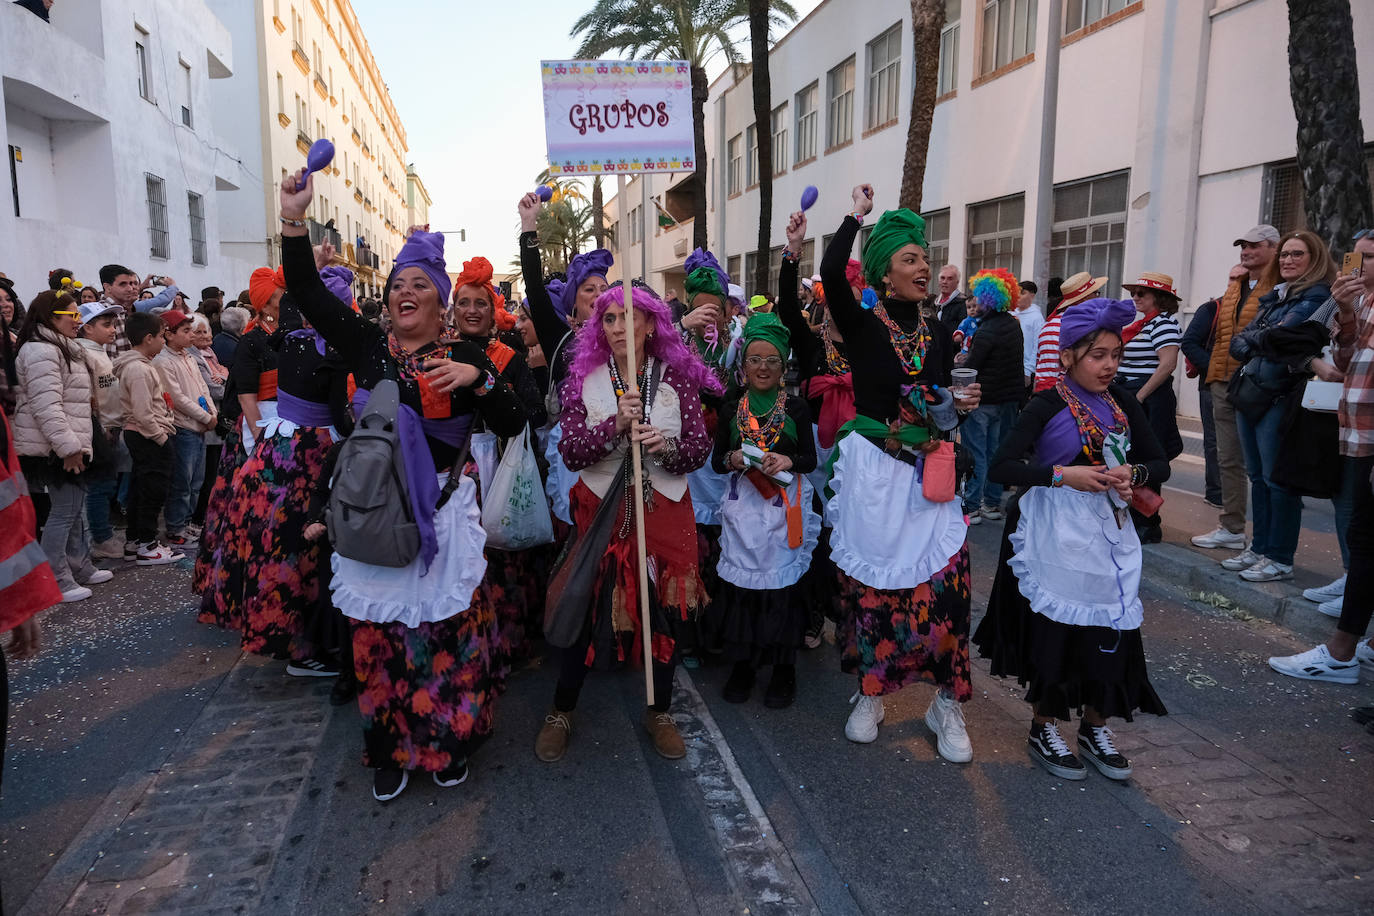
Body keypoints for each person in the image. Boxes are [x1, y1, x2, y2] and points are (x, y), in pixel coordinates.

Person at [281, 168, 527, 803]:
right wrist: (293, 221)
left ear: (442, 303)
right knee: (381, 637)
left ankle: (447, 743)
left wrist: (480, 384)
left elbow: (520, 421)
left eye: (421, 285)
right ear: (387, 301)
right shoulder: (367, 348)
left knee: (446, 634)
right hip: (373, 517)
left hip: (443, 518)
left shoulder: (471, 359)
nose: (405, 292)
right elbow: (308, 291)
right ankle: (389, 747)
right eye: (397, 285)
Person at [974, 297, 1170, 780]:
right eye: (1098, 355)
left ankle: (1095, 724)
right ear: (1068, 357)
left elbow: (1158, 461)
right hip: (1056, 528)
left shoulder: (1122, 400)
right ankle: (1045, 725)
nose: (1109, 366)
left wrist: (1133, 471)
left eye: (1115, 355)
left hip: (1109, 530)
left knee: (1112, 628)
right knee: (1059, 629)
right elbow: (1002, 466)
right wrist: (1063, 476)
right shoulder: (1046, 403)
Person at [821, 185, 979, 762]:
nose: (924, 266)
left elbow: (940, 396)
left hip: (928, 476)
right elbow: (831, 269)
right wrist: (853, 215)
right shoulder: (861, 324)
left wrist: (954, 406)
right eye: (911, 258)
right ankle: (871, 693)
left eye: (925, 257)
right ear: (886, 272)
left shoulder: (937, 332)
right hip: (874, 475)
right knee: (874, 594)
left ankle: (946, 703)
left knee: (945, 592)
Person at [536, 284, 719, 763]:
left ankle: (658, 710)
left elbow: (698, 449)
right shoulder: (585, 378)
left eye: (628, 317)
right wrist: (613, 426)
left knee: (666, 614)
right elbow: (572, 451)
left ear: (651, 324)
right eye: (609, 319)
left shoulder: (676, 379)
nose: (618, 327)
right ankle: (561, 708)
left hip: (665, 508)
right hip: (601, 509)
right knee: (586, 601)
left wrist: (667, 447)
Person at [213, 262, 352, 678]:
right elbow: (340, 419)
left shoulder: (290, 339)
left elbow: (293, 305)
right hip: (306, 453)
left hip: (280, 450)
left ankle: (299, 642)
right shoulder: (324, 350)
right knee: (306, 550)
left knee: (283, 545)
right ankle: (305, 647)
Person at [1268, 230, 1374, 684]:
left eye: (1368, 258)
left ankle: (1341, 652)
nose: (1359, 265)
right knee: (1364, 533)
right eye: (1357, 257)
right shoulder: (1361, 301)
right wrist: (1347, 312)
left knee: (1366, 539)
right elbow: (1349, 359)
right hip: (1359, 431)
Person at [709, 312, 819, 708]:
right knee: (743, 590)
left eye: (772, 360)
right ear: (743, 365)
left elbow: (809, 458)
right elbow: (716, 461)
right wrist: (735, 457)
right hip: (743, 510)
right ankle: (743, 666)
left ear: (783, 365)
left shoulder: (798, 409)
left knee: (781, 591)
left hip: (783, 509)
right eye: (755, 359)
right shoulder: (730, 408)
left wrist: (788, 462)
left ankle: (783, 670)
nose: (763, 368)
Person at [451, 255, 548, 674]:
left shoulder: (510, 357)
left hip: (501, 469)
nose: (472, 310)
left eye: (481, 303)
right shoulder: (437, 352)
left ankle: (510, 644)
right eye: (464, 302)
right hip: (454, 474)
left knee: (506, 562)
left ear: (494, 310)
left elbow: (535, 415)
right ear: (452, 309)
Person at [1220, 230, 1334, 582]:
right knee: (1258, 477)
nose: (1287, 260)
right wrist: (1266, 339)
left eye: (1297, 254)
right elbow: (1238, 343)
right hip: (1252, 392)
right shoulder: (1277, 295)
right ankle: (1260, 548)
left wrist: (1264, 339)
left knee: (1278, 481)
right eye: (1284, 254)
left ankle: (1280, 558)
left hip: (1281, 396)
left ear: (1314, 259)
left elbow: (1282, 338)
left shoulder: (1317, 295)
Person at [776, 211, 852, 650]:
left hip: (859, 458)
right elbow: (788, 306)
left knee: (850, 539)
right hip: (814, 458)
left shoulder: (869, 346)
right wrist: (793, 251)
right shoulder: (810, 343)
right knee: (816, 541)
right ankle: (813, 616)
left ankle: (848, 615)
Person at [13, 290, 110, 601]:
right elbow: (47, 406)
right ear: (51, 317)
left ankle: (78, 566)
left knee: (73, 508)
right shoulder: (41, 350)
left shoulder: (61, 347)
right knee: (64, 511)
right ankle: (54, 578)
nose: (78, 322)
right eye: (73, 316)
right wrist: (68, 447)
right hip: (55, 447)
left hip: (69, 441)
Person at [1190, 224, 1280, 551]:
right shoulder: (1236, 286)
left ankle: (1270, 543)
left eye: (1255, 246)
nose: (1246, 251)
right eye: (1243, 245)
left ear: (1274, 248)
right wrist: (1213, 372)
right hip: (1223, 382)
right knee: (1228, 458)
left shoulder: (1282, 285)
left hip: (1261, 384)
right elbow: (1221, 338)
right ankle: (1232, 527)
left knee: (1264, 465)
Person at [1118, 272, 1185, 544]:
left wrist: (1140, 397)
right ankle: (1135, 517)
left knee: (1148, 460)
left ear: (1158, 297)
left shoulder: (1164, 324)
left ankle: (1148, 522)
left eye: (1141, 293)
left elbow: (1168, 364)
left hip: (1149, 399)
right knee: (1128, 458)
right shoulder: (1142, 325)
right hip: (1131, 396)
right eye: (1133, 293)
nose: (1135, 297)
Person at [113, 313, 182, 565]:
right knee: (152, 490)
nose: (164, 341)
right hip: (146, 435)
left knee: (143, 489)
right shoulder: (138, 369)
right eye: (162, 336)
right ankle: (146, 544)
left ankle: (136, 541)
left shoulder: (141, 365)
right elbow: (143, 412)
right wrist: (161, 438)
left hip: (144, 433)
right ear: (148, 338)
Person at [959, 268, 1025, 524]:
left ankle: (973, 507)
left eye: (977, 297)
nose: (975, 302)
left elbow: (975, 365)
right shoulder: (1013, 325)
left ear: (987, 300)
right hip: (1007, 400)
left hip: (983, 400)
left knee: (976, 453)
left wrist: (962, 359)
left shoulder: (986, 331)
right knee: (996, 451)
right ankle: (992, 504)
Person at [153, 310, 216, 550]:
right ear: (168, 334)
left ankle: (188, 522)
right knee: (182, 481)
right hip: (183, 427)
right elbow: (177, 398)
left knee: (196, 481)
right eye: (186, 331)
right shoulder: (163, 360)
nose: (192, 336)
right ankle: (175, 527)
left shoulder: (188, 357)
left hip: (200, 425)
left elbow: (202, 387)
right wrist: (204, 416)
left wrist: (212, 413)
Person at [75, 300, 127, 560]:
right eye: (106, 325)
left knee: (107, 483)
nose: (113, 330)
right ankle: (100, 538)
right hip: (99, 428)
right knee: (99, 485)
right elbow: (88, 395)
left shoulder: (99, 351)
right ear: (86, 328)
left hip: (111, 426)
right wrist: (101, 426)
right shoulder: (83, 354)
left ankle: (102, 531)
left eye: (113, 324)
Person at [1179, 282, 1231, 509]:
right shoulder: (1212, 309)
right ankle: (1216, 493)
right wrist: (1215, 370)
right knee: (1214, 440)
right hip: (1212, 385)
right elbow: (1189, 343)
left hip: (1246, 386)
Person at [1033, 272, 1106, 392]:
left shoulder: (1048, 325)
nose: (1098, 298)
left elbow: (1040, 363)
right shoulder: (1083, 326)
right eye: (1096, 293)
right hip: (1067, 393)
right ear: (1086, 298)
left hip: (1043, 393)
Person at [96, 266, 182, 359]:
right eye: (123, 284)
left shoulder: (121, 310)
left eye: (132, 284)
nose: (130, 288)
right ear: (107, 287)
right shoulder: (105, 312)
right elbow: (108, 357)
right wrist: (172, 286)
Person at [1013, 280, 1044, 391]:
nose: (1018, 296)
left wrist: (1028, 370)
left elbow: (1038, 345)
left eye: (1022, 292)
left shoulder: (1036, 318)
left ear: (1032, 295)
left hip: (1025, 369)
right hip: (1010, 367)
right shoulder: (1012, 314)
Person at [934, 264, 966, 333]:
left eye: (950, 279)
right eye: (942, 278)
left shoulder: (964, 304)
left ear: (957, 282)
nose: (945, 282)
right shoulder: (933, 303)